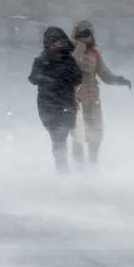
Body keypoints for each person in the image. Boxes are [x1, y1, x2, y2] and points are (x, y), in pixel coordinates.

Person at [70, 20, 131, 168]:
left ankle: (93, 163)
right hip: (77, 100)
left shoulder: (94, 53)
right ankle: (79, 166)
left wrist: (119, 80)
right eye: (83, 32)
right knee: (79, 134)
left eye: (88, 31)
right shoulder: (70, 51)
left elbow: (104, 74)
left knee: (96, 134)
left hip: (93, 100)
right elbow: (71, 67)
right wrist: (79, 47)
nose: (86, 35)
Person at [28, 26, 84, 173]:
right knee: (56, 137)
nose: (56, 45)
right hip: (47, 105)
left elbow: (78, 78)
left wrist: (61, 78)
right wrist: (50, 78)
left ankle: (63, 167)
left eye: (58, 41)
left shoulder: (69, 61)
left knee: (62, 134)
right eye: (53, 42)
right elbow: (33, 78)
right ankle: (61, 165)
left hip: (65, 103)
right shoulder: (41, 60)